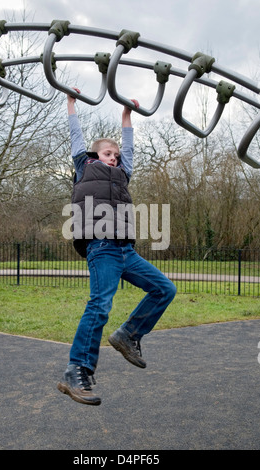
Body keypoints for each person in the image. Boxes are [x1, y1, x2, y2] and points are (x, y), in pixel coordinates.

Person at [57, 89, 177, 406]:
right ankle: (76, 371)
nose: (115, 157)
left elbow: (129, 147)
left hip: (125, 251)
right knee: (100, 305)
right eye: (109, 153)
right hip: (102, 247)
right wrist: (71, 104)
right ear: (95, 156)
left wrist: (126, 116)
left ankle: (128, 335)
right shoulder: (84, 166)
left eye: (116, 155)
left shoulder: (123, 175)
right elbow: (76, 136)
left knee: (164, 289)